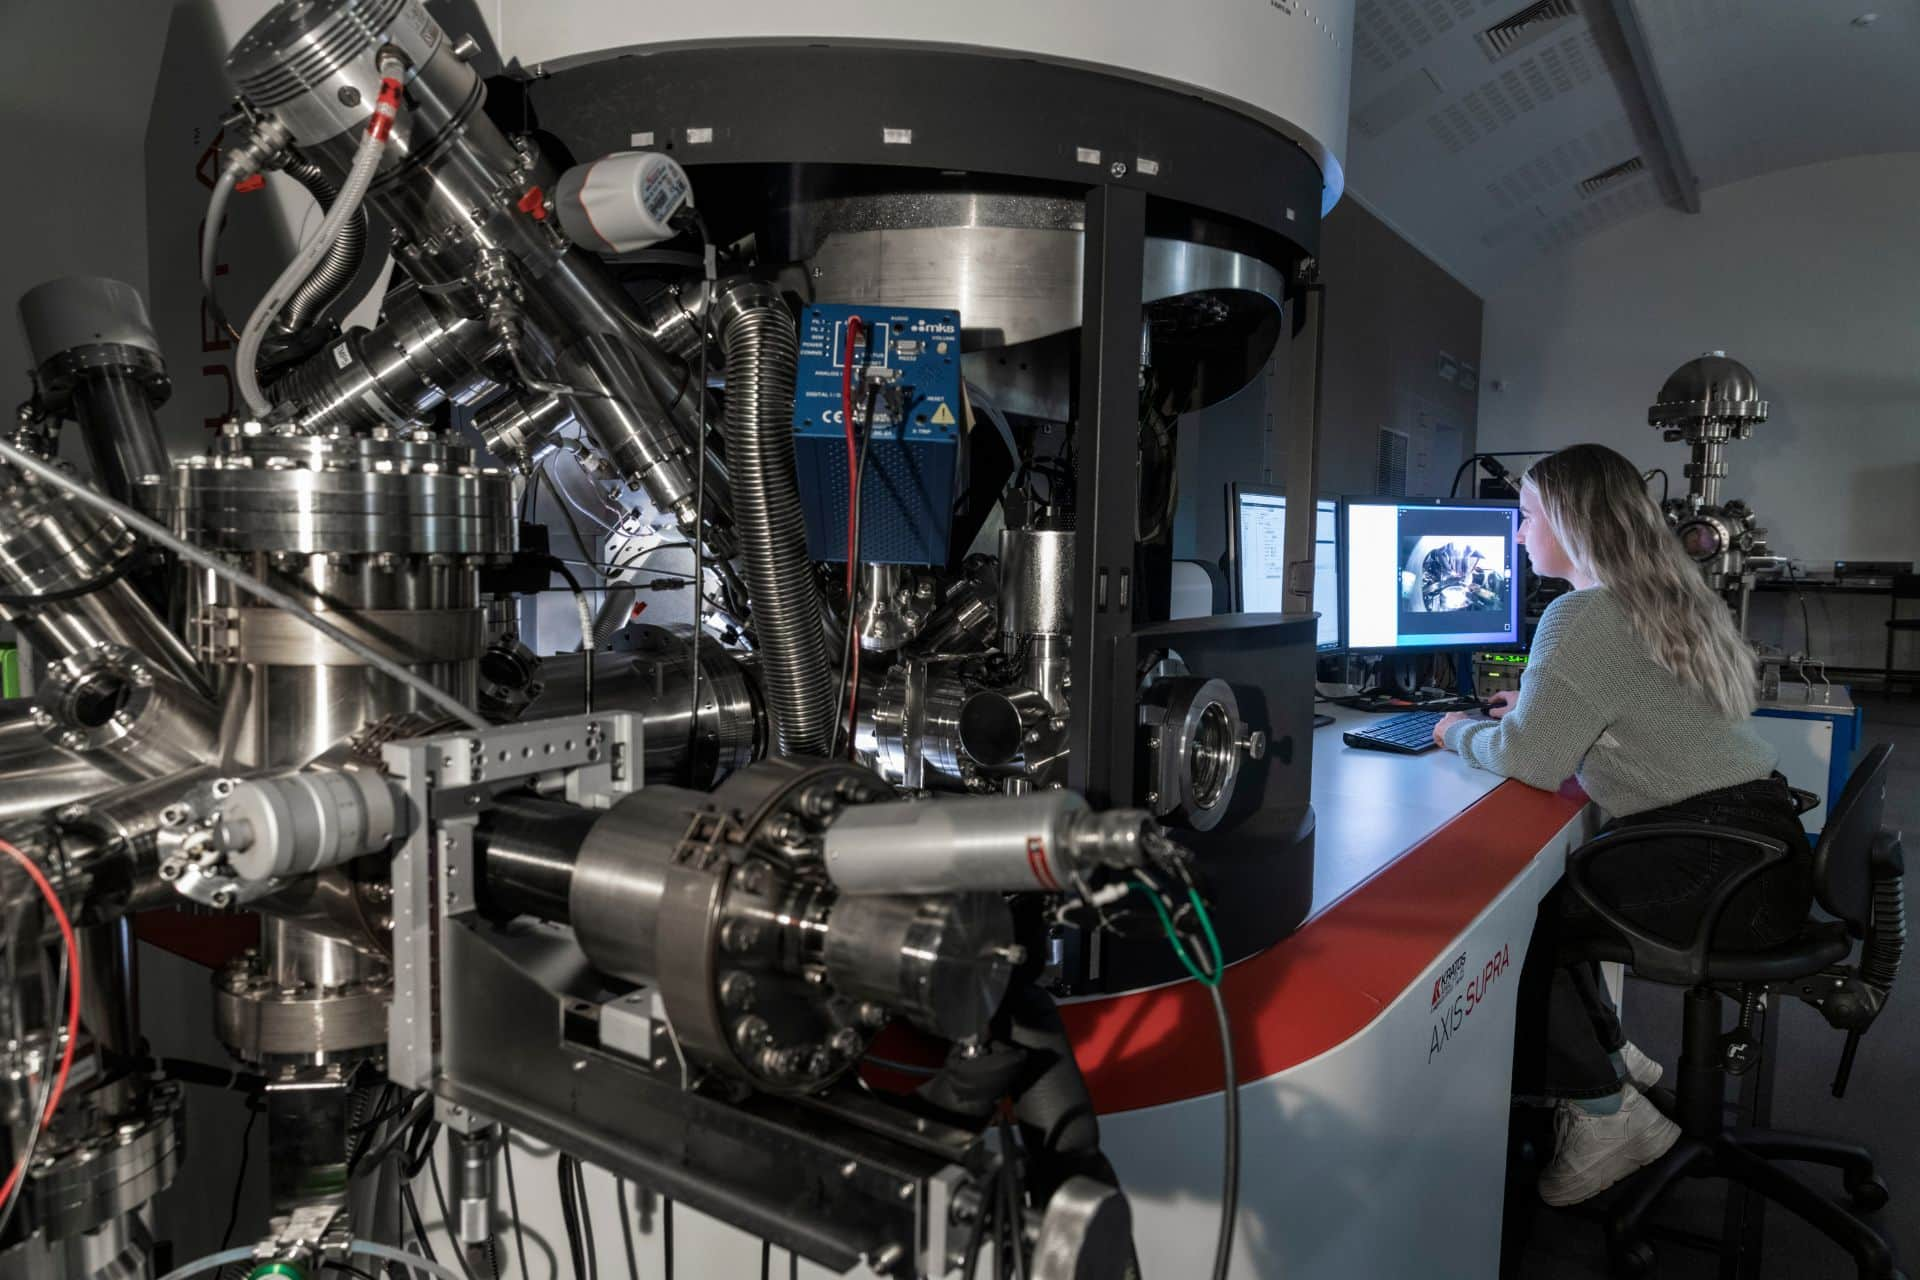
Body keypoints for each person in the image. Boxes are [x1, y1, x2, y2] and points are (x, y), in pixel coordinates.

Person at [1430, 443, 1813, 1206]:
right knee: (1561, 893)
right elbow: (1623, 714)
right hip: (1765, 851)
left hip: (1714, 868)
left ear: (1569, 523)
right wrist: (1538, 715)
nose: (1515, 533)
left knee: (1527, 919)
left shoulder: (1579, 614)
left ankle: (1607, 1114)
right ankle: (1609, 1057)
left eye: (1527, 515)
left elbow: (1530, 760)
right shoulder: (1661, 592)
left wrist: (1450, 731)